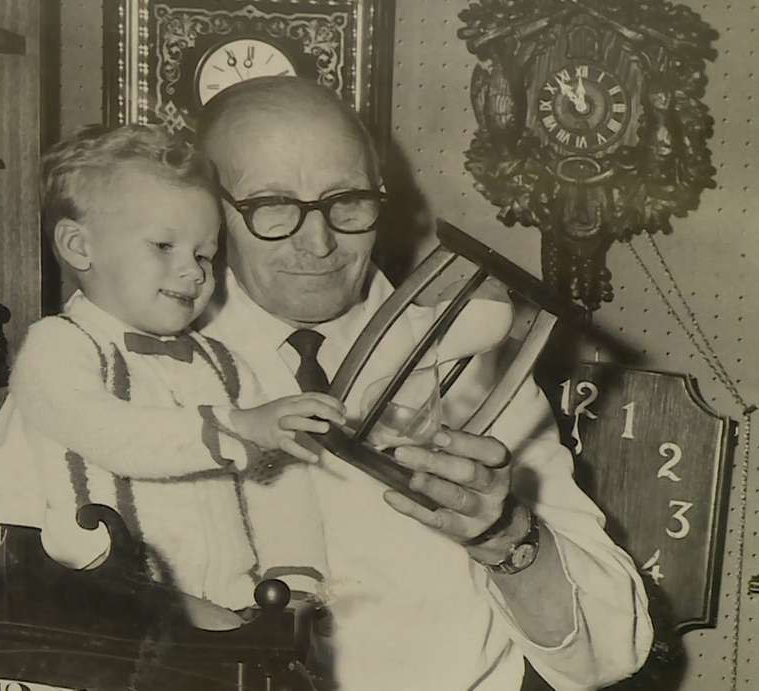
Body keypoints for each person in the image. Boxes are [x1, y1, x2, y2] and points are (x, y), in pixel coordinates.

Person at [194, 76, 652, 689]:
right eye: (271, 206)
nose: (319, 241)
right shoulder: (121, 358)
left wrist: (504, 536)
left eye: (347, 201)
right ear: (210, 210)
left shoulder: (469, 361)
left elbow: (608, 652)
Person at [0, 124, 345, 611]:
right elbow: (107, 432)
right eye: (164, 247)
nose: (193, 271)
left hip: (217, 611)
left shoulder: (225, 367)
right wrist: (235, 428)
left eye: (204, 254)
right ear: (80, 247)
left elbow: (277, 476)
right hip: (82, 603)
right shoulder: (59, 345)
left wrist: (294, 578)